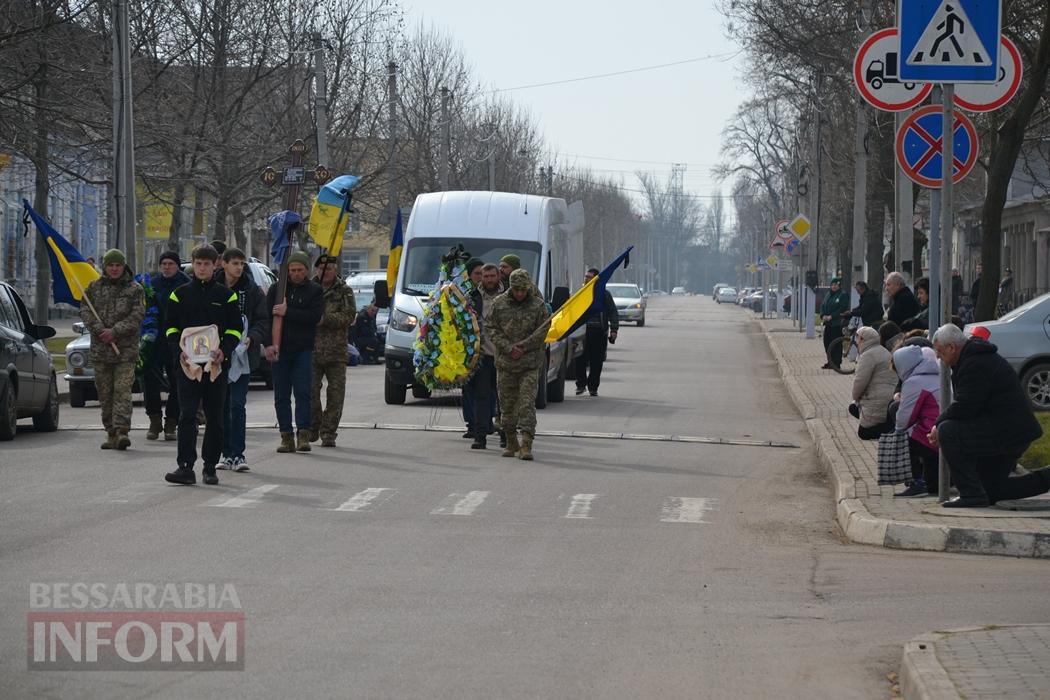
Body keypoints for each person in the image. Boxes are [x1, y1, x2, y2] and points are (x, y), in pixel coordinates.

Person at [929, 324, 1050, 507]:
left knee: (948, 431)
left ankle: (971, 495)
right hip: (1007, 429)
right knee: (990, 490)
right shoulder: (972, 359)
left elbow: (966, 406)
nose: (938, 356)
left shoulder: (975, 363)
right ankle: (1046, 478)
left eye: (939, 351)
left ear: (951, 347)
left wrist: (938, 424)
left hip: (1008, 432)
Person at [162, 244, 242, 486]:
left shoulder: (226, 295)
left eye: (207, 264)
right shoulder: (180, 294)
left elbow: (235, 329)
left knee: (216, 417)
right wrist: (179, 350)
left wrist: (223, 350)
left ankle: (210, 467)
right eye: (198, 264)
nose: (203, 268)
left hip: (216, 367)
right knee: (187, 416)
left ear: (215, 264)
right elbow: (170, 327)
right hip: (187, 367)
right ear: (193, 264)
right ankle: (185, 466)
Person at [80, 249, 145, 450]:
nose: (114, 269)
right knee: (105, 393)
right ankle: (110, 432)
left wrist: (115, 331)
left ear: (123, 266)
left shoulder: (135, 289)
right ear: (105, 267)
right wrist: (100, 330)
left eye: (118, 265)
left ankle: (122, 430)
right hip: (101, 352)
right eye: (111, 265)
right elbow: (85, 310)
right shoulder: (94, 288)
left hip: (124, 351)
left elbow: (137, 315)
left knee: (122, 391)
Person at [488, 269, 551, 460]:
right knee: (507, 406)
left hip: (529, 364)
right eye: (517, 290)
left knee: (526, 404)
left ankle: (526, 444)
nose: (520, 294)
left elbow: (544, 329)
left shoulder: (538, 305)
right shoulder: (498, 304)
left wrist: (523, 346)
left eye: (523, 290)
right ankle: (510, 441)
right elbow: (491, 327)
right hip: (506, 363)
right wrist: (508, 348)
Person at [215, 247, 269, 471]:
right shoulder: (214, 288)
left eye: (241, 264)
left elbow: (262, 320)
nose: (238, 267)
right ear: (223, 264)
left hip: (243, 356)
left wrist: (252, 339)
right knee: (220, 407)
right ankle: (224, 453)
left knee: (237, 405)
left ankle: (238, 454)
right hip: (217, 356)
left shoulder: (251, 290)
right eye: (234, 263)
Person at [264, 251, 323, 453]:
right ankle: (286, 436)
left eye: (299, 270)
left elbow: (314, 317)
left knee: (303, 393)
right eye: (292, 270)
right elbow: (266, 318)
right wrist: (268, 344)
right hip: (279, 348)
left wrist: (288, 312)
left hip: (302, 349)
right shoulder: (277, 289)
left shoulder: (314, 290)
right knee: (281, 394)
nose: (296, 273)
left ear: (306, 270)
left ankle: (303, 434)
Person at [143, 252, 189, 441]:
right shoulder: (152, 285)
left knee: (178, 383)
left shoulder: (186, 284)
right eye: (163, 264)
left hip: (177, 342)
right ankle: (154, 420)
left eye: (170, 263)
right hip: (154, 341)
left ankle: (171, 422)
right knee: (149, 381)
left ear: (177, 266)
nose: (167, 267)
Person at [310, 255, 356, 447]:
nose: (324, 272)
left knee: (336, 394)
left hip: (336, 350)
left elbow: (349, 315)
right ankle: (314, 426)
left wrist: (326, 319)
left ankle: (328, 432)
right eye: (321, 268)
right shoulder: (310, 288)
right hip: (311, 349)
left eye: (328, 269)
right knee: (310, 392)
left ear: (335, 270)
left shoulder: (344, 291)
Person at [891, 345, 942, 498]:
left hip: (933, 433)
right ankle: (930, 482)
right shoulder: (936, 373)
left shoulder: (914, 381)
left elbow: (903, 420)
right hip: (943, 429)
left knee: (903, 437)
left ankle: (917, 483)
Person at [574, 267, 619, 397]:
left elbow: (612, 312)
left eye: (589, 277)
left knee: (596, 362)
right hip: (582, 333)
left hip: (599, 333)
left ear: (596, 279)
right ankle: (581, 385)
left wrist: (614, 330)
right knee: (580, 360)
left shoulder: (604, 294)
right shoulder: (580, 293)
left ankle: (593, 387)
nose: (586, 279)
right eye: (586, 276)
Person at [464, 258, 494, 449]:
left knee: (504, 397)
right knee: (482, 396)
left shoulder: (506, 295)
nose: (488, 279)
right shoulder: (472, 296)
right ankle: (480, 436)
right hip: (482, 354)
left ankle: (506, 435)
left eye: (492, 276)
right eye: (485, 276)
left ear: (498, 277)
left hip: (503, 354)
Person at [848, 326, 896, 440]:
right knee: (853, 408)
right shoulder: (884, 351)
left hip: (877, 399)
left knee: (863, 434)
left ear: (864, 339)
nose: (856, 341)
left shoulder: (868, 355)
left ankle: (889, 429)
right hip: (889, 399)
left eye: (858, 338)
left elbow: (860, 381)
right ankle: (887, 425)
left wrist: (856, 397)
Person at [820, 277, 849, 369]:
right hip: (828, 323)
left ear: (839, 285)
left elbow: (842, 308)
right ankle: (830, 361)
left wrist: (832, 316)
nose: (834, 286)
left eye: (836, 285)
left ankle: (836, 363)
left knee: (836, 343)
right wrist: (822, 315)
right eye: (832, 285)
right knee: (827, 342)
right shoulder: (828, 294)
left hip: (837, 323)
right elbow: (823, 305)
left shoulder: (843, 295)